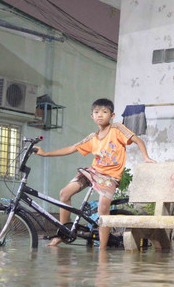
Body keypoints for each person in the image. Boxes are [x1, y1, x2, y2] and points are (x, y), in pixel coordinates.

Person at [33, 98, 155, 249]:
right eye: (96, 112)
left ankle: (102, 249)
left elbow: (137, 140)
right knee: (64, 193)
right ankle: (62, 234)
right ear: (92, 116)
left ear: (112, 115)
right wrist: (45, 154)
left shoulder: (117, 129)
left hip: (110, 177)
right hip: (93, 172)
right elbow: (71, 148)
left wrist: (146, 157)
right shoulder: (93, 137)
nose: (100, 115)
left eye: (104, 112)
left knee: (103, 208)